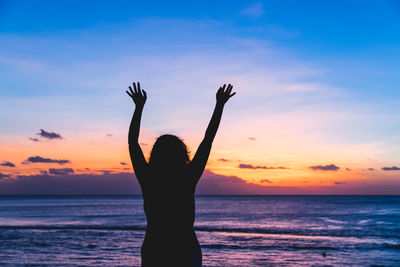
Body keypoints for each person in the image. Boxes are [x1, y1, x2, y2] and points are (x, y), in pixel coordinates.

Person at [126, 82, 235, 267]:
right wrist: (219, 105)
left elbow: (133, 143)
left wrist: (138, 108)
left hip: (155, 247)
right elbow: (208, 140)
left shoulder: (148, 177)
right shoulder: (187, 176)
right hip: (185, 248)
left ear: (155, 154)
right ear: (182, 154)